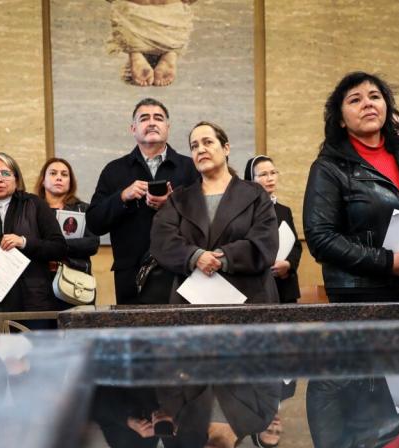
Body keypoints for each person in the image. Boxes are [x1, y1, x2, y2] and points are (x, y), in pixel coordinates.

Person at [303, 71, 399, 303]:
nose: (368, 104)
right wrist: (388, 262)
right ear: (341, 119)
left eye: (375, 96)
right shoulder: (328, 167)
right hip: (361, 295)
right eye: (355, 99)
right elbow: (321, 238)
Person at [150, 122, 279, 304]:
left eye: (207, 142)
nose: (200, 149)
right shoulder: (178, 199)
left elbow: (266, 242)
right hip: (193, 300)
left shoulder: (256, 194)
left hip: (250, 298)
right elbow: (162, 240)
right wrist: (195, 256)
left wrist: (223, 258)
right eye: (194, 146)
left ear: (226, 148)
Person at [86, 98, 198, 304]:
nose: (152, 123)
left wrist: (172, 204)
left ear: (168, 127)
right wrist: (122, 197)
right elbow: (94, 221)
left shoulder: (190, 168)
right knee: (135, 336)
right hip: (131, 275)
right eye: (144, 118)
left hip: (182, 271)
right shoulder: (114, 170)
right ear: (133, 128)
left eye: (159, 118)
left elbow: (207, 218)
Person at [0, 152, 67, 328]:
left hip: (33, 302)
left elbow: (59, 248)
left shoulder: (35, 205)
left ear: (16, 178)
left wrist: (24, 242)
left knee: (36, 355)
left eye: (5, 173)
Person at [244, 155, 302, 303]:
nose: (270, 178)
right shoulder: (244, 212)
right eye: (263, 174)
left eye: (273, 172)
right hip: (258, 286)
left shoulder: (284, 210)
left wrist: (288, 264)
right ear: (251, 180)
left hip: (285, 285)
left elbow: (296, 245)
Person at [105, 0, 198, 87]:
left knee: (123, 5)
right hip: (173, 18)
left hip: (133, 14)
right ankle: (169, 52)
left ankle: (136, 54)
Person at [33, 157, 99, 275]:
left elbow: (92, 243)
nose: (59, 177)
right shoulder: (31, 209)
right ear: (43, 180)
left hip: (75, 279)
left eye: (64, 175)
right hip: (39, 279)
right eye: (53, 173)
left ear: (70, 182)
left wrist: (55, 246)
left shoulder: (83, 209)